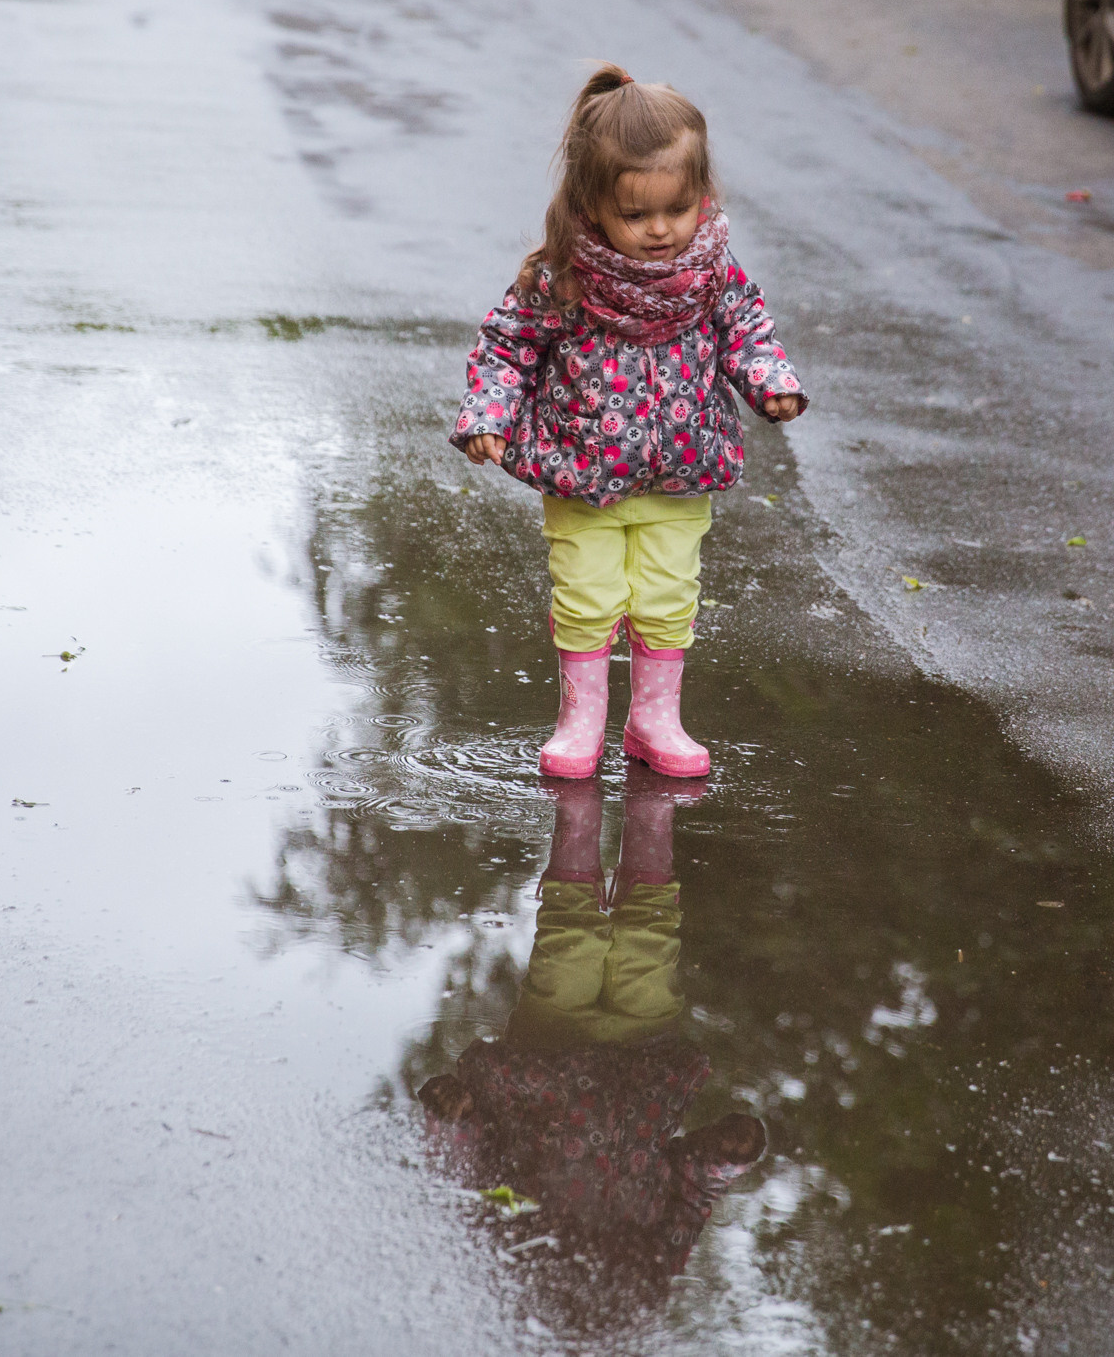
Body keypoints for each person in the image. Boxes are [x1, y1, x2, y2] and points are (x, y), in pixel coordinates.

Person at [451, 65, 808, 779]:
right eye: (637, 214)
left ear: (699, 197)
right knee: (587, 594)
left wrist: (770, 381)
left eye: (677, 209)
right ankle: (580, 722)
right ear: (592, 204)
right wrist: (489, 413)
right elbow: (508, 345)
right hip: (581, 471)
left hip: (682, 469)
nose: (660, 230)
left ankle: (655, 720)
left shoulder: (710, 269)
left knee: (669, 594)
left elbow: (747, 329)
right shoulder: (565, 273)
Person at [417, 776, 766, 1330]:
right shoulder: (641, 1292)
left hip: (548, 1060)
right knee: (650, 939)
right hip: (643, 1065)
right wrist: (724, 1159)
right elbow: (689, 1198)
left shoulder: (521, 1267)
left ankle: (578, 814)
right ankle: (651, 816)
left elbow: (477, 1181)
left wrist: (453, 1122)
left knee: (570, 937)